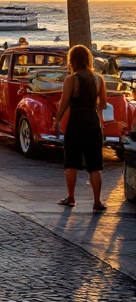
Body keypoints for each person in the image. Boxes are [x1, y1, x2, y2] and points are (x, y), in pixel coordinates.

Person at [52, 44, 108, 211]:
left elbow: (63, 104)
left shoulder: (71, 80)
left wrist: (56, 122)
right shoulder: (99, 79)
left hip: (76, 124)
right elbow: (102, 105)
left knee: (71, 163)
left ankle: (71, 198)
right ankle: (97, 202)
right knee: (95, 165)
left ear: (72, 61)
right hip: (93, 124)